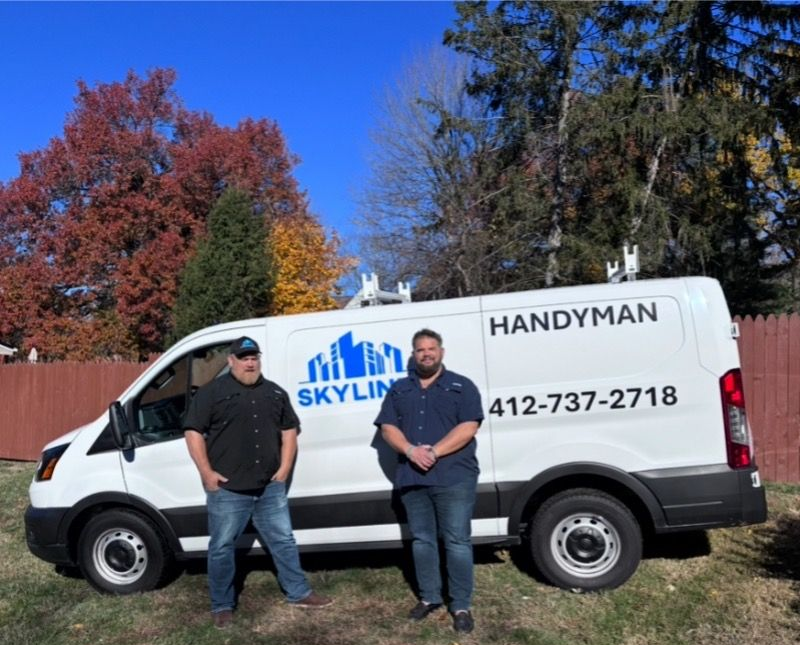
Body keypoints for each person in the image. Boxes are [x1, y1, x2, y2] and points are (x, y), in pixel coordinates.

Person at [183, 336, 332, 629]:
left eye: (254, 358)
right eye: (244, 358)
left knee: (283, 541)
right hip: (227, 489)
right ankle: (222, 605)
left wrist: (285, 468)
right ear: (231, 361)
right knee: (222, 547)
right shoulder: (211, 393)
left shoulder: (275, 392)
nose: (250, 363)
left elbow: (290, 431)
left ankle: (299, 593)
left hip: (269, 488)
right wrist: (206, 473)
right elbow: (193, 432)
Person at [375, 328, 483, 634]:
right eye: (420, 349)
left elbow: (469, 426)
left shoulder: (462, 386)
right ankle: (430, 597)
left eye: (431, 348)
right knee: (422, 541)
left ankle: (460, 604)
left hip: (454, 476)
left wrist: (433, 452)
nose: (426, 354)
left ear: (441, 352)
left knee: (457, 541)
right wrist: (410, 450)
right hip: (413, 478)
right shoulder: (398, 389)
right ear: (413, 354)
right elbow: (387, 428)